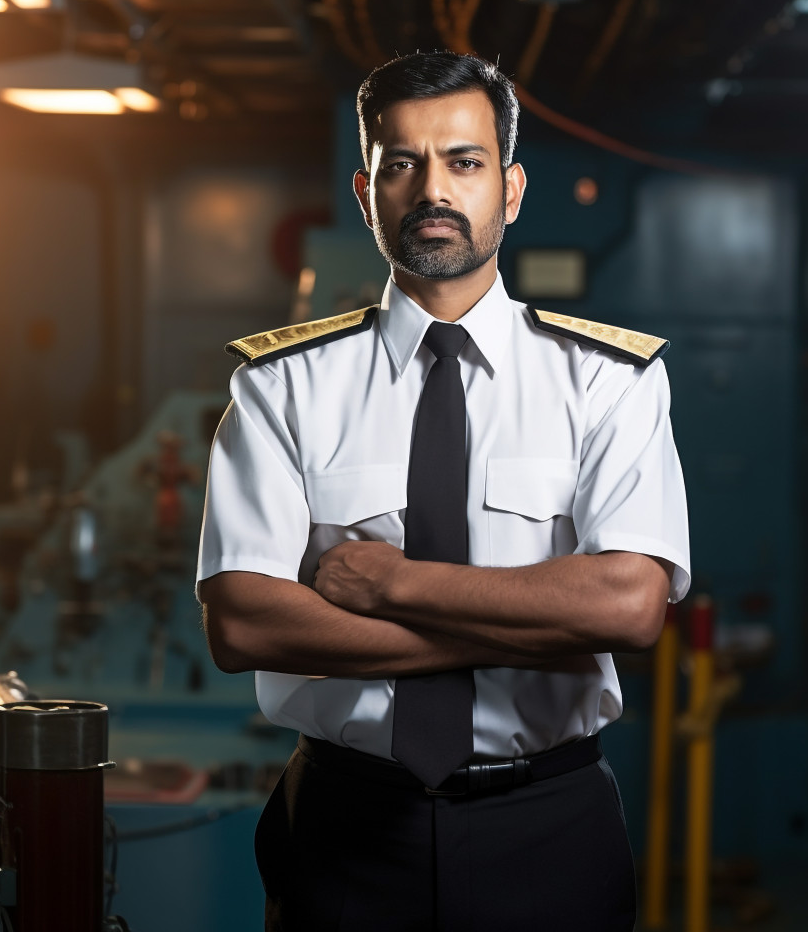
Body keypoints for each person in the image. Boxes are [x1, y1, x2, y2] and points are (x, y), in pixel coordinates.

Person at [197, 50, 690, 932]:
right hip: (346, 827)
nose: (433, 189)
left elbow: (626, 607)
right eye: (401, 164)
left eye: (463, 162)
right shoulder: (281, 386)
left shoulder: (608, 381)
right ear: (365, 191)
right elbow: (243, 621)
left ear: (511, 187)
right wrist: (533, 633)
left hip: (548, 824)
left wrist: (391, 585)